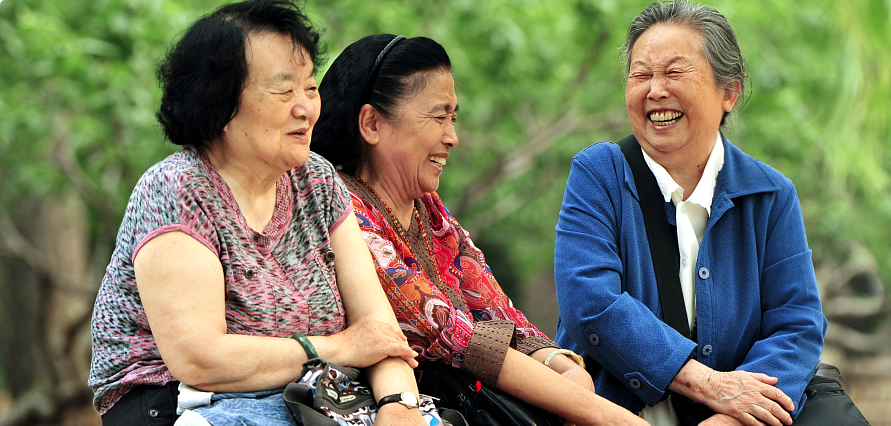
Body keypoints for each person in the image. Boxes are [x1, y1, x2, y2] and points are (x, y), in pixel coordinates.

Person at [87, 2, 427, 425]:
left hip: (311, 398)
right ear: (221, 104)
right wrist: (339, 348)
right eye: (284, 92)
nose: (305, 108)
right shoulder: (177, 189)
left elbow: (377, 332)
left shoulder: (316, 181)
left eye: (310, 88)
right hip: (173, 403)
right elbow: (199, 360)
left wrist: (400, 405)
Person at [311, 34, 649, 426]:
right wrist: (606, 415)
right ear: (372, 123)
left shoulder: (430, 211)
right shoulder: (341, 207)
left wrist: (564, 365)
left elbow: (496, 309)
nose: (452, 137)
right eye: (438, 117)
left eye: (453, 118)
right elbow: (456, 334)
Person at [553, 1, 827, 426]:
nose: (655, 91)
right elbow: (591, 303)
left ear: (729, 93)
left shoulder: (772, 195)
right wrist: (712, 386)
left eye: (675, 73)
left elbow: (797, 325)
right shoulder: (598, 174)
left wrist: (736, 417)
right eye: (641, 75)